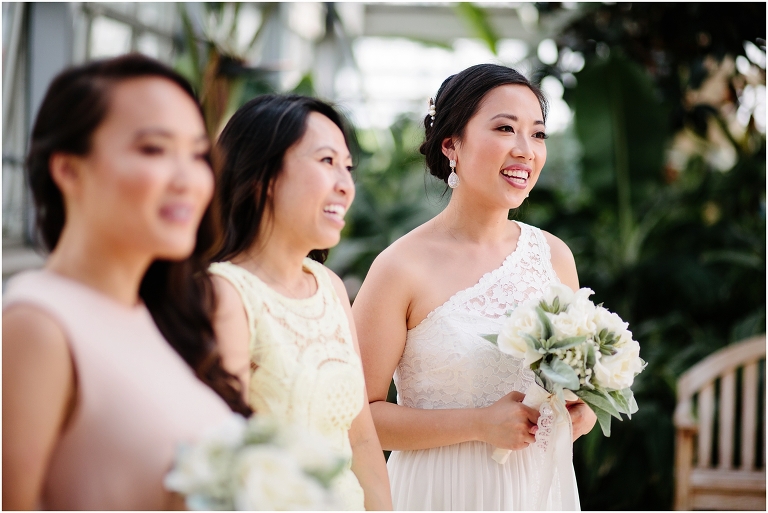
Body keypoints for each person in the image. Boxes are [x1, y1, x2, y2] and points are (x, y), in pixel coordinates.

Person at [2, 54, 251, 510]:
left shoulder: (158, 315)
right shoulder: (36, 324)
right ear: (69, 170)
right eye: (154, 149)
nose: (188, 179)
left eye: (197, 154)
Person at [352, 64, 597, 510]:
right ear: (451, 144)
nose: (526, 150)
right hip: (440, 493)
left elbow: (568, 385)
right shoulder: (399, 267)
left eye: (538, 134)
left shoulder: (554, 257)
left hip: (538, 491)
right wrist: (480, 424)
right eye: (505, 128)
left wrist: (581, 410)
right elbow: (357, 418)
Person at [208, 94, 392, 511]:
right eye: (326, 162)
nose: (345, 185)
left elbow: (361, 437)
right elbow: (221, 455)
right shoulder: (225, 294)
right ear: (264, 176)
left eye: (348, 167)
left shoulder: (329, 285)